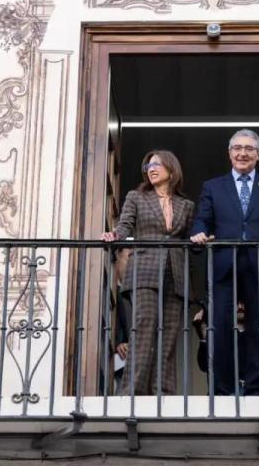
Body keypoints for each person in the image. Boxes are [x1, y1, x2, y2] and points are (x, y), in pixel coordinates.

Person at [190, 129, 259, 395]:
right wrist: (199, 232)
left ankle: (255, 390)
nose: (242, 153)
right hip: (224, 265)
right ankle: (223, 390)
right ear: (229, 153)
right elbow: (203, 218)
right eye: (237, 148)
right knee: (221, 330)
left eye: (249, 149)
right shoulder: (213, 186)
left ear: (258, 155)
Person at [102, 150, 194, 395]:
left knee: (170, 334)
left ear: (171, 169)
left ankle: (163, 392)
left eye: (156, 164)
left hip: (176, 274)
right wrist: (116, 235)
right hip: (144, 270)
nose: (150, 169)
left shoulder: (186, 205)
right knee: (144, 328)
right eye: (148, 166)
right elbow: (125, 224)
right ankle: (132, 391)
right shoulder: (137, 197)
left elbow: (190, 242)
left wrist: (201, 238)